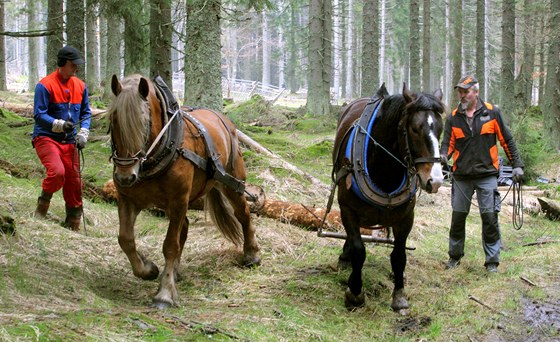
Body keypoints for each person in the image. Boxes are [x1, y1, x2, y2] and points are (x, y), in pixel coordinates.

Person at [440, 75, 524, 273]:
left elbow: (507, 140)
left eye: (466, 91)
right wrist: (443, 156)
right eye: (460, 91)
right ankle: (454, 257)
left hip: (487, 175)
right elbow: (448, 145)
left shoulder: (492, 112)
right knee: (458, 219)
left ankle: (492, 262)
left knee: (489, 219)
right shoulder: (453, 117)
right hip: (461, 177)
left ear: (476, 93)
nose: (462, 95)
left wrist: (517, 165)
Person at [32, 45, 92, 231]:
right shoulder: (45, 85)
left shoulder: (80, 86)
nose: (76, 69)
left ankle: (73, 224)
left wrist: (83, 133)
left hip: (70, 141)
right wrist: (58, 124)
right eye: (73, 65)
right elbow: (39, 115)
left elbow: (86, 113)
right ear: (63, 63)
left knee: (74, 182)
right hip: (46, 137)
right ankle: (41, 210)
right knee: (57, 173)